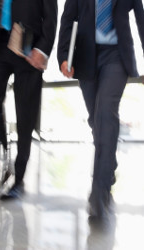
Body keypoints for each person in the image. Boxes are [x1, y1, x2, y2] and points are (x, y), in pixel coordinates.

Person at [57, 0, 144, 219]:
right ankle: (108, 165)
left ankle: (99, 191)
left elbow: (142, 20)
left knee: (106, 113)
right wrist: (64, 56)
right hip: (86, 57)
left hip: (117, 56)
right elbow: (68, 19)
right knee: (96, 122)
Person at [0, 0, 58, 200]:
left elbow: (51, 15)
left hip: (29, 46)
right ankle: (6, 152)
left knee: (25, 114)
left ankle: (19, 179)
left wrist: (44, 48)